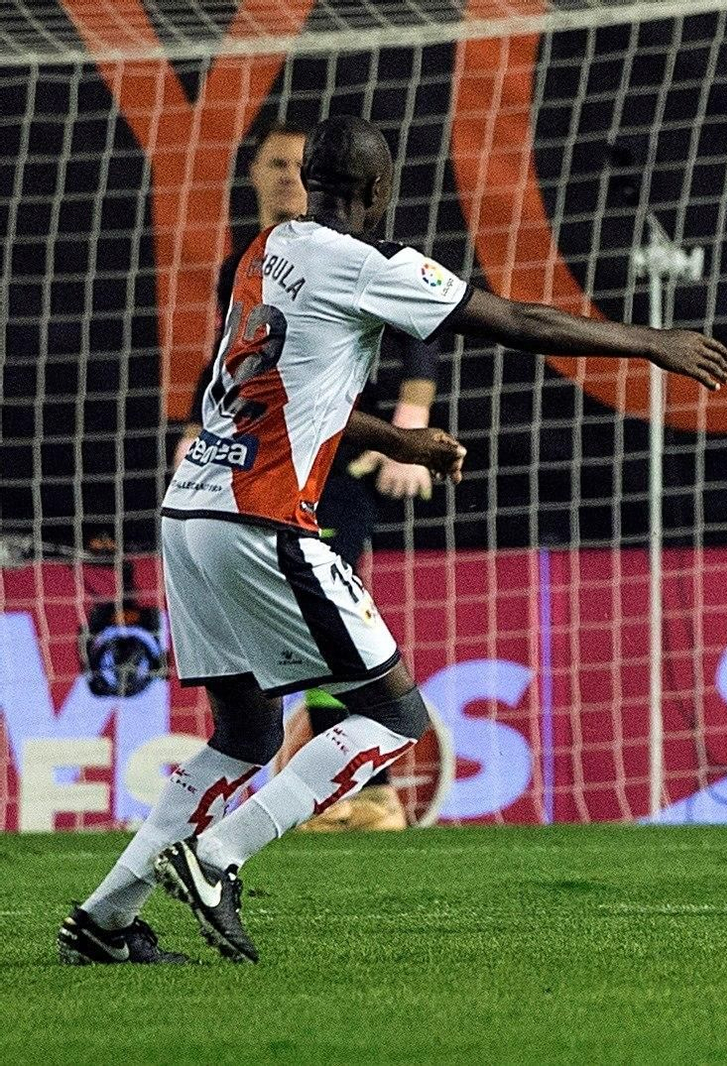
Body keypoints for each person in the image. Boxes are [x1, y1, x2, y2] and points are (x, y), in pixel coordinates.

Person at [57, 115, 727, 965]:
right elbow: (517, 318)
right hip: (261, 517)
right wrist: (651, 343)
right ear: (381, 189)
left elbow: (288, 390)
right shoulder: (371, 263)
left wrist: (392, 437)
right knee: (394, 712)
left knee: (246, 734)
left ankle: (105, 919)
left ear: (309, 182)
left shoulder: (267, 249)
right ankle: (219, 855)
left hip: (188, 513)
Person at [175, 120, 440, 832]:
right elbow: (245, 361)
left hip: (329, 459)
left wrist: (411, 418)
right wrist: (200, 428)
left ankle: (352, 791)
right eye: (277, 163)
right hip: (250, 470)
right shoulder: (256, 253)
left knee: (330, 631)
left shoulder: (352, 251)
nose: (290, 175)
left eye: (300, 164)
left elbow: (422, 324)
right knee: (296, 652)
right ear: (255, 173)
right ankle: (316, 793)